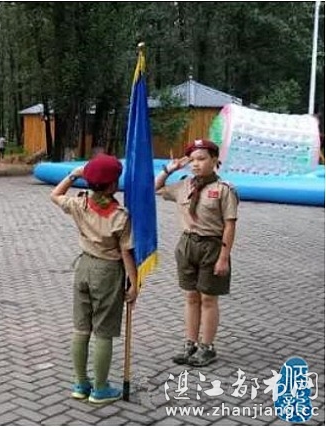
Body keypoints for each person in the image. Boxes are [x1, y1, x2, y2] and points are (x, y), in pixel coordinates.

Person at [50, 154, 138, 404]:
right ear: (113, 185)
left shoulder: (80, 203)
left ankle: (80, 384)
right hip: (107, 272)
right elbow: (126, 252)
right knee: (103, 332)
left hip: (84, 268)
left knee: (81, 329)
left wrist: (73, 175)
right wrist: (134, 283)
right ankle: (100, 389)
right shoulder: (120, 216)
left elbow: (55, 195)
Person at [155, 139, 238, 367]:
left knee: (208, 298)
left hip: (212, 246)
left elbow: (230, 225)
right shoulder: (184, 185)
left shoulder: (224, 190)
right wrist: (169, 169)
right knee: (191, 296)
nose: (195, 164)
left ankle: (207, 347)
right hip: (187, 245)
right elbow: (155, 188)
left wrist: (223, 258)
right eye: (192, 160)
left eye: (201, 159)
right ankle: (190, 343)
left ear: (214, 160)